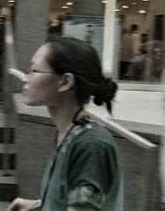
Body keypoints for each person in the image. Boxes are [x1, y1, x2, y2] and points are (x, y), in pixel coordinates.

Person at [7, 37, 123, 211]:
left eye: (33, 70)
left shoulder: (92, 145)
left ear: (65, 81)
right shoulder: (69, 132)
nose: (26, 78)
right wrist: (41, 204)